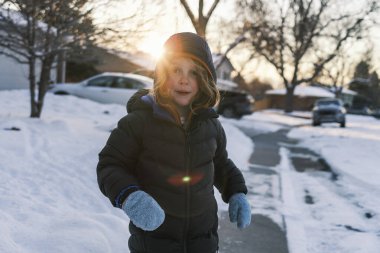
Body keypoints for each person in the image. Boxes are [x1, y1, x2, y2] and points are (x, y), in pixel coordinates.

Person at [97, 32, 251, 253]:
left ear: (205, 80)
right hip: (154, 242)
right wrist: (131, 197)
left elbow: (220, 164)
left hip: (203, 241)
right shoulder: (138, 122)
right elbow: (110, 165)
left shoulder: (211, 125)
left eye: (194, 72)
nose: (184, 79)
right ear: (162, 75)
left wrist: (237, 192)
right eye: (176, 70)